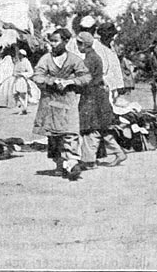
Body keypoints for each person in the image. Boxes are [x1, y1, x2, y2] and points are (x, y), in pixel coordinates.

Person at [32, 29, 91, 181]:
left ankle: (72, 163)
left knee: (70, 131)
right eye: (51, 41)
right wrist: (51, 81)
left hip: (68, 100)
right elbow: (37, 75)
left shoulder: (74, 59)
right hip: (50, 100)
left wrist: (70, 81)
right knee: (54, 135)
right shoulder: (46, 59)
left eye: (56, 41)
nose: (52, 44)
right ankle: (60, 163)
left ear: (65, 42)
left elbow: (86, 76)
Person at [76, 32, 127, 169]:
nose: (77, 46)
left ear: (84, 44)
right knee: (102, 129)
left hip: (92, 96)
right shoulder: (94, 57)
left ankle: (89, 161)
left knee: (90, 128)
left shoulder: (89, 60)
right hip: (98, 95)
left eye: (79, 43)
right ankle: (118, 152)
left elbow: (84, 79)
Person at [95, 22, 125, 100]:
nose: (112, 39)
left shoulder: (111, 47)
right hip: (104, 84)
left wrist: (120, 85)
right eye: (110, 36)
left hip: (113, 85)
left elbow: (116, 66)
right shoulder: (97, 47)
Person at [12, 49, 34, 115]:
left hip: (23, 80)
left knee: (23, 94)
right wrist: (15, 74)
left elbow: (31, 72)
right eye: (19, 54)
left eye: (20, 54)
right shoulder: (18, 62)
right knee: (17, 94)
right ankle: (22, 108)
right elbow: (14, 71)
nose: (19, 56)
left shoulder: (26, 62)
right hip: (17, 79)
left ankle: (24, 109)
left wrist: (23, 74)